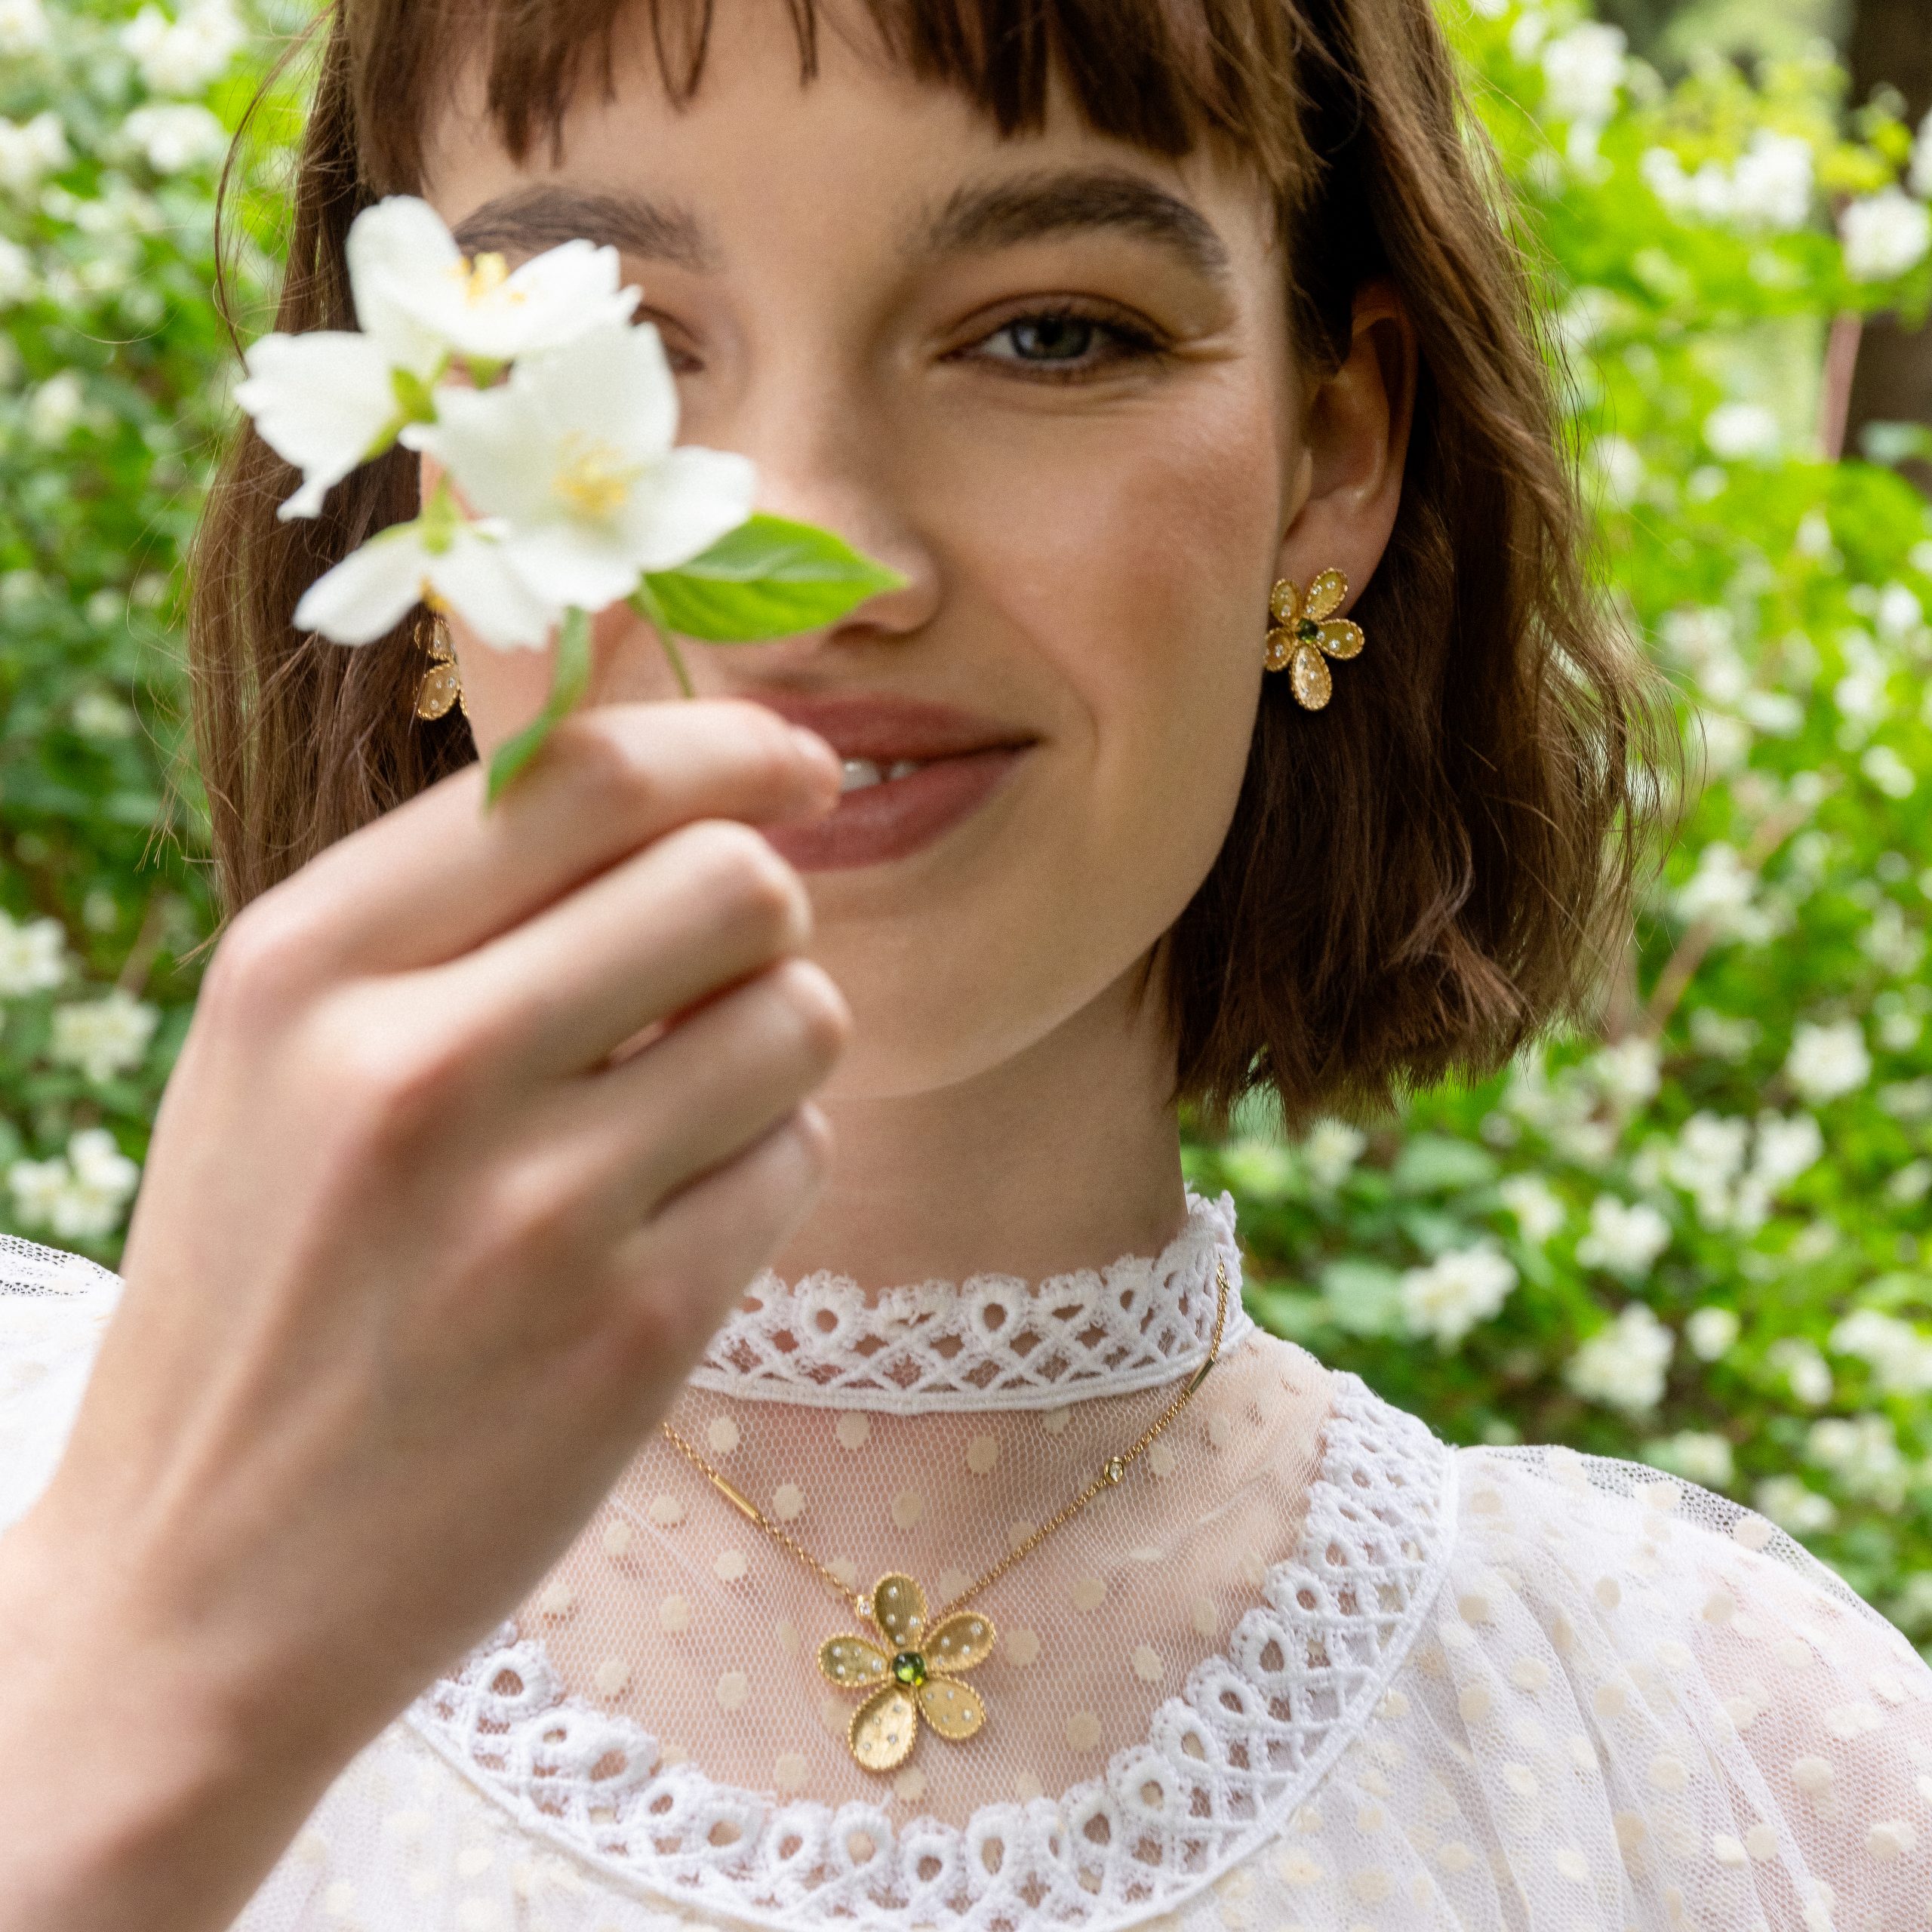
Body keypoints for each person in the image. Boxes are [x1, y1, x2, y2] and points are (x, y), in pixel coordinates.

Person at [4, 0, 1929, 1927]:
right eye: (602, 347)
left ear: (1331, 454)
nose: (818, 549)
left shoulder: (1719, 1781)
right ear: (415, 474)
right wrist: (135, 1701)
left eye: (1047, 335)